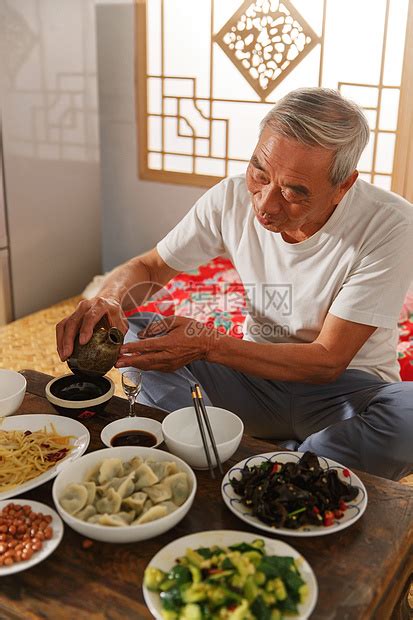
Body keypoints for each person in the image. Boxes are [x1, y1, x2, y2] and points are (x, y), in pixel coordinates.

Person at [56, 88, 413, 481]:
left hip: (346, 393)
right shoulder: (230, 198)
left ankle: (278, 458)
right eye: (260, 173)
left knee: (408, 416)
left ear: (343, 185)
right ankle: (242, 448)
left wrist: (209, 344)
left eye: (294, 192)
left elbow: (328, 360)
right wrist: (106, 300)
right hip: (252, 377)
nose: (265, 203)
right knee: (138, 331)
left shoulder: (391, 224)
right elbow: (151, 267)